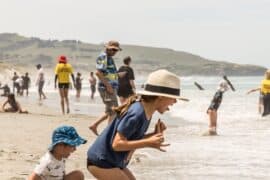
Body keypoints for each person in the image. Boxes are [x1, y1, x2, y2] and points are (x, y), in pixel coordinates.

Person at [87, 69, 187, 179]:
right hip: (101, 161)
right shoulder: (137, 113)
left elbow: (131, 138)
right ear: (161, 96)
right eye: (174, 98)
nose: (175, 102)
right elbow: (117, 144)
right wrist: (148, 142)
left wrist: (152, 136)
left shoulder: (146, 112)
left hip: (112, 161)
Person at [89, 40, 125, 135]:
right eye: (112, 49)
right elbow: (98, 73)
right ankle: (108, 135)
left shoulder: (109, 57)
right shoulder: (103, 57)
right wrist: (108, 86)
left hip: (110, 87)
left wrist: (117, 75)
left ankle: (94, 125)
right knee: (114, 111)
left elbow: (107, 73)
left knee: (110, 111)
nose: (114, 52)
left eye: (116, 50)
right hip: (107, 88)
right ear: (107, 48)